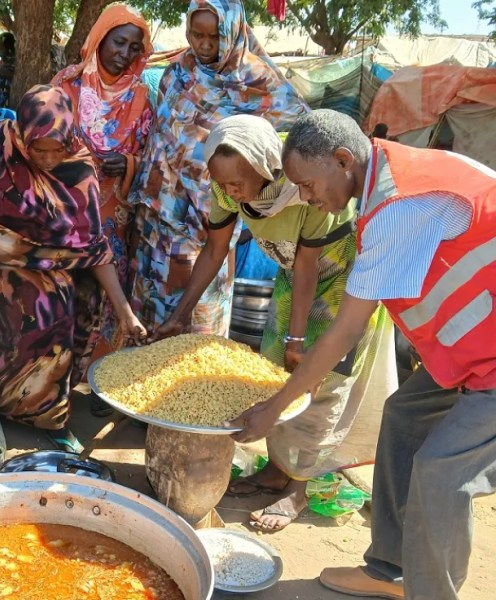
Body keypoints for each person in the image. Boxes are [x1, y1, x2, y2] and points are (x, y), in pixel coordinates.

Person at [228, 109, 496, 600]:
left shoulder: (398, 208)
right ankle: (389, 571)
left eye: (307, 185)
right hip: (474, 345)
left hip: (491, 360)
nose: (307, 197)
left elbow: (344, 330)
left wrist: (275, 406)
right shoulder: (389, 175)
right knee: (405, 416)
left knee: (440, 473)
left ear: (342, 159)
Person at [155, 114, 397, 530]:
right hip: (292, 279)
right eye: (223, 184)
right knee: (272, 374)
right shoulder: (226, 183)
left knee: (318, 381)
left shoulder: (307, 186)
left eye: (238, 184)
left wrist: (297, 337)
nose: (230, 192)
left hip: (345, 282)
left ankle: (297, 488)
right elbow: (214, 251)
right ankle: (275, 469)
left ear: (266, 168)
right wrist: (179, 315)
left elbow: (310, 265)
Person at [0, 85, 146, 452]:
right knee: (6, 307)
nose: (49, 158)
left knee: (58, 298)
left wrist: (125, 313)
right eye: (40, 148)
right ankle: (3, 397)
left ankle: (50, 415)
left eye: (59, 148)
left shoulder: (79, 165)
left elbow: (92, 246)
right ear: (24, 134)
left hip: (58, 270)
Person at [130, 0, 309, 338]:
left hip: (212, 221)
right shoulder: (177, 73)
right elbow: (159, 136)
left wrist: (263, 194)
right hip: (158, 217)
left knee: (197, 324)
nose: (205, 45)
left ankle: (194, 388)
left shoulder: (256, 81)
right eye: (197, 35)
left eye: (215, 36)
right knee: (151, 312)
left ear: (233, 30)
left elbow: (300, 134)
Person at [52, 4, 154, 414]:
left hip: (114, 212)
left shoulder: (143, 97)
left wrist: (127, 164)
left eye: (134, 47)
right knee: (65, 294)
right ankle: (54, 382)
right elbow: (41, 139)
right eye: (118, 42)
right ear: (99, 38)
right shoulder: (68, 84)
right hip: (64, 210)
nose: (124, 54)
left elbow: (151, 155)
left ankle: (101, 380)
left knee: (110, 299)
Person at [0, 32, 15, 108]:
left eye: (1, 49)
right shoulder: (3, 61)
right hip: (1, 94)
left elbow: (10, 74)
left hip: (7, 96)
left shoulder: (13, 60)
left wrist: (2, 72)